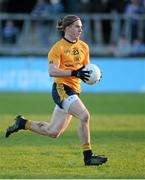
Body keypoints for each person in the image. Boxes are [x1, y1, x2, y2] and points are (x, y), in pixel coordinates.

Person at [5, 15, 108, 166]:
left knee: (53, 132)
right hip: (62, 88)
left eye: (81, 26)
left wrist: (94, 76)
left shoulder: (84, 47)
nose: (81, 29)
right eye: (77, 26)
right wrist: (74, 73)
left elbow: (85, 70)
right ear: (67, 28)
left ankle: (23, 123)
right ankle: (88, 156)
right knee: (84, 115)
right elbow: (52, 71)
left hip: (74, 90)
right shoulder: (57, 48)